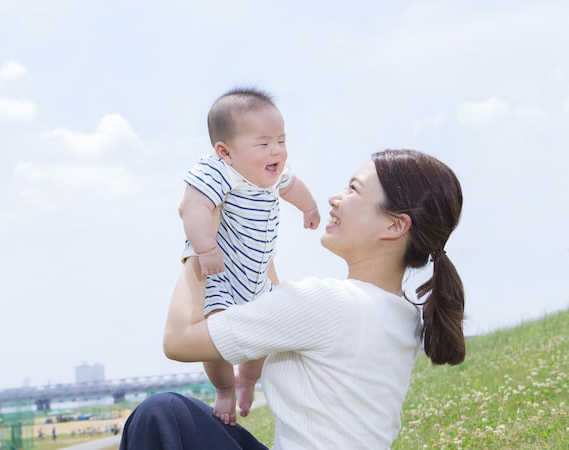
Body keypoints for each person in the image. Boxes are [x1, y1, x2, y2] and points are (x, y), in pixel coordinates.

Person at [122, 149, 466, 449]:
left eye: (353, 189)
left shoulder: (328, 304)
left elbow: (179, 341)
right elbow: (275, 302)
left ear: (394, 226)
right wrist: (245, 219)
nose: (335, 197)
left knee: (162, 414)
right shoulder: (397, 313)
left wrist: (199, 244)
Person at [179, 87, 320, 425]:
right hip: (222, 276)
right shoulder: (219, 172)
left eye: (281, 141)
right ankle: (225, 388)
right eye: (263, 144)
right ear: (225, 151)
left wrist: (309, 206)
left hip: (257, 280)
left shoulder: (270, 174)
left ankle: (249, 379)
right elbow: (192, 206)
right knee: (213, 339)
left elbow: (292, 185)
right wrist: (206, 249)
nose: (277, 151)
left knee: (263, 339)